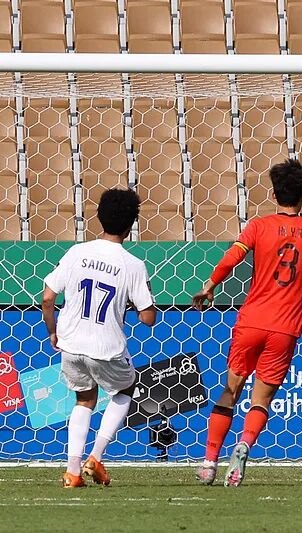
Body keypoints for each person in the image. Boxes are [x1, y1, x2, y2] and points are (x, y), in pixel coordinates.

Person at [193, 159, 302, 487]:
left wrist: (210, 285)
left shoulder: (259, 226)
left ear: (274, 194)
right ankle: (244, 445)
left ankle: (209, 463)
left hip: (252, 321)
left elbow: (232, 258)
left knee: (230, 390)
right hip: (286, 327)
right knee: (261, 400)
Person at [42, 188, 156, 488]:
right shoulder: (133, 264)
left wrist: (53, 331)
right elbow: (148, 318)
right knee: (126, 387)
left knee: (84, 399)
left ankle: (72, 472)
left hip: (70, 343)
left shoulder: (76, 252)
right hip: (106, 346)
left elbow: (48, 298)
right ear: (131, 225)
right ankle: (96, 456)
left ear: (99, 217)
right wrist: (140, 298)